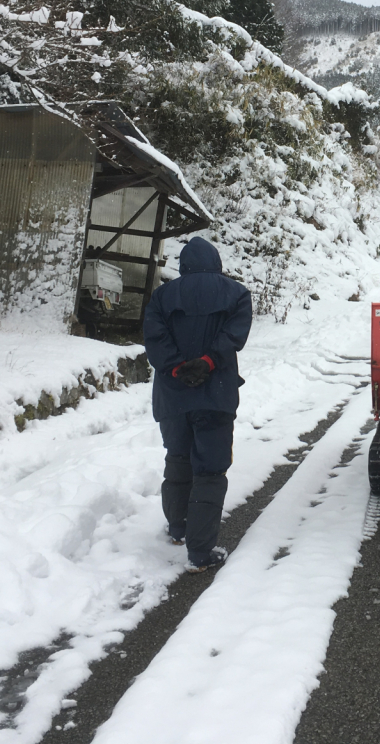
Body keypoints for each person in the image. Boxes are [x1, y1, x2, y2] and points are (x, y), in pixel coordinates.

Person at [143, 236, 252, 573]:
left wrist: (178, 366)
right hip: (215, 394)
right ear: (216, 262)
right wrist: (207, 361)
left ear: (184, 265)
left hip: (173, 396)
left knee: (177, 459)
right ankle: (200, 553)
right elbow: (234, 337)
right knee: (209, 469)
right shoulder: (236, 294)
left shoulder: (162, 296)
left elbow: (154, 339)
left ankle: (177, 530)